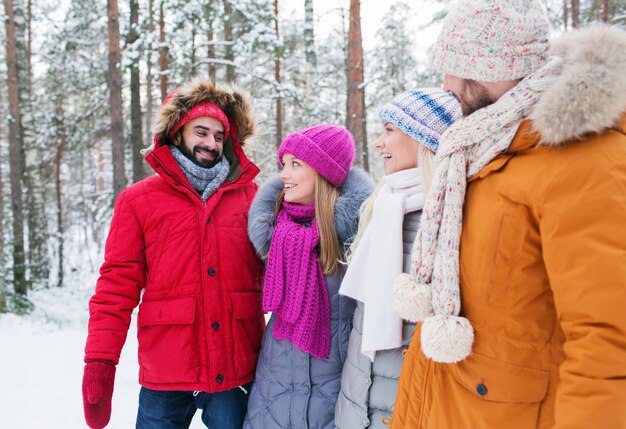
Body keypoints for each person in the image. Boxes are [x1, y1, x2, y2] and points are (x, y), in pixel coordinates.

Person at [390, 1, 626, 428]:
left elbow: (609, 343)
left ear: (488, 67)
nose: (445, 84)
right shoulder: (482, 147)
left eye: (452, 67)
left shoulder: (587, 162)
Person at [82, 79, 265, 429]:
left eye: (218, 136)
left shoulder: (251, 197)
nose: (211, 142)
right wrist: (100, 362)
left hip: (236, 366)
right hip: (167, 366)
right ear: (177, 131)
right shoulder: (138, 201)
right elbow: (115, 287)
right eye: (201, 131)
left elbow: (282, 272)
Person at [334, 89, 461, 429]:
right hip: (358, 404)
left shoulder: (449, 224)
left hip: (406, 412)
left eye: (389, 130)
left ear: (424, 140)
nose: (378, 143)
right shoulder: (384, 206)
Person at [242, 124, 374, 429]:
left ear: (324, 172)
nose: (283, 175)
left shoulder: (358, 240)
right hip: (271, 399)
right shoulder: (273, 233)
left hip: (334, 400)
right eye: (283, 164)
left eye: (295, 165)